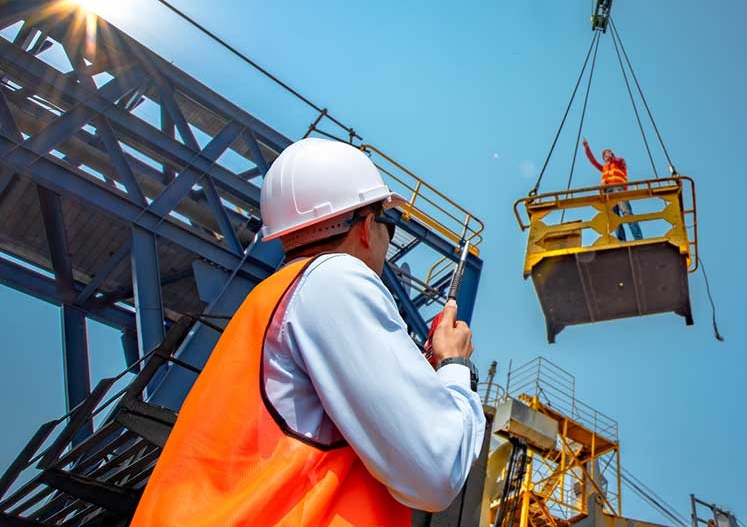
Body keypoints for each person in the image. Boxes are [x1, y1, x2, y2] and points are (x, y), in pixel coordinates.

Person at [133, 138, 485, 526]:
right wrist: (454, 366)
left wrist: (415, 374)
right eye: (390, 224)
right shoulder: (337, 279)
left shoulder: (272, 300)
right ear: (367, 227)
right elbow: (436, 471)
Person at [582, 138, 642, 241]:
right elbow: (593, 161)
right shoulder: (604, 168)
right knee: (614, 219)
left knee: (626, 212)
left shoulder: (619, 163)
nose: (607, 155)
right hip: (608, 192)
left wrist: (612, 158)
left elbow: (621, 161)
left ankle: (638, 238)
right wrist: (587, 148)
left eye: (608, 153)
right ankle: (621, 241)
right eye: (605, 155)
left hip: (618, 189)